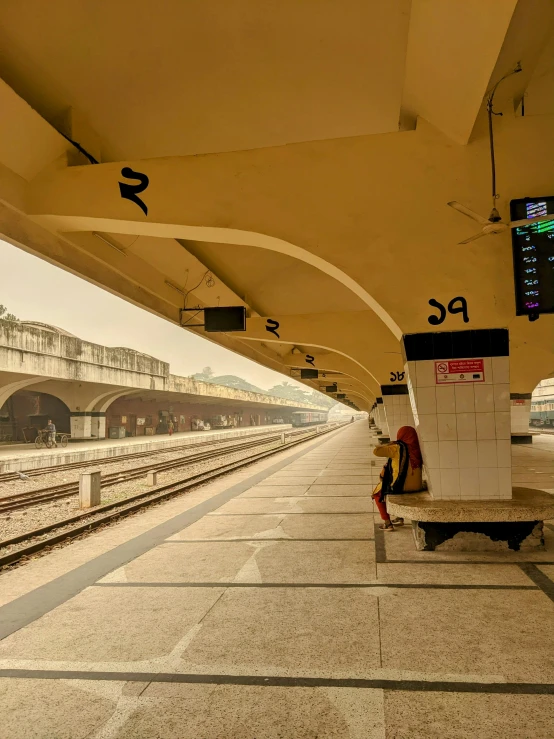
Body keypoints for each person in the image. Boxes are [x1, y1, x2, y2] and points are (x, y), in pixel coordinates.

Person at [372, 425, 423, 531]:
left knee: (377, 494)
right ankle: (400, 518)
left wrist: (391, 443)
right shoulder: (418, 448)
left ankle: (387, 523)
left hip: (401, 486)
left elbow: (376, 451)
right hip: (417, 485)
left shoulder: (397, 448)